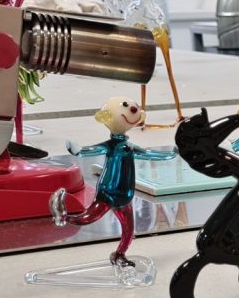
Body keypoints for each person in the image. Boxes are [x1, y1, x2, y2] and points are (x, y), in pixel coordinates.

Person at [50, 96, 177, 265]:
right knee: (88, 218)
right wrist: (77, 150)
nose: (133, 109)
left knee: (128, 230)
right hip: (108, 193)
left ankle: (119, 255)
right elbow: (91, 150)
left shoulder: (129, 147)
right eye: (126, 106)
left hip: (124, 197)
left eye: (135, 107)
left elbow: (148, 154)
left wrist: (170, 154)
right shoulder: (110, 145)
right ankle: (62, 215)